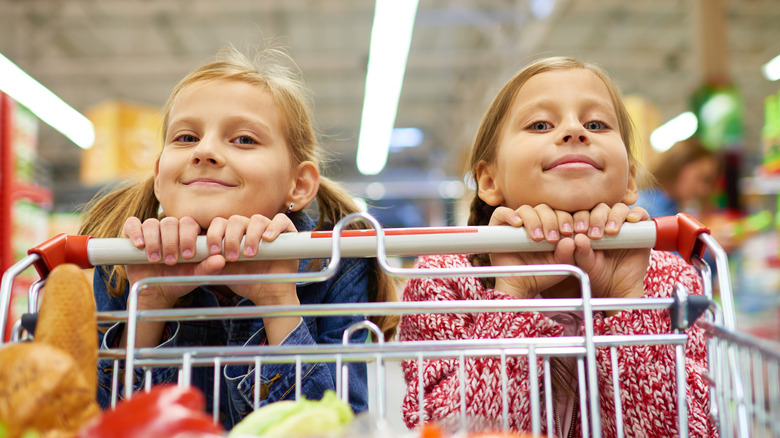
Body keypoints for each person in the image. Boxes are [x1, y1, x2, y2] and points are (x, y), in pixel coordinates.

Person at [78, 45, 398, 429]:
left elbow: (344, 427)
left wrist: (278, 300)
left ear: (299, 185)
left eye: (244, 139)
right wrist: (149, 310)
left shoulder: (338, 265)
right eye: (185, 137)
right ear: (160, 176)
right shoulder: (123, 265)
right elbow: (100, 425)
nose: (205, 150)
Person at [398, 57, 716, 437]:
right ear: (489, 179)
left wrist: (628, 300)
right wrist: (511, 295)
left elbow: (677, 430)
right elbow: (445, 429)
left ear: (630, 179)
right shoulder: (445, 281)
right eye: (540, 124)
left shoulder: (670, 280)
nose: (574, 131)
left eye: (595, 123)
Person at [636, 138, 719, 219]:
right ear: (678, 164)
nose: (704, 190)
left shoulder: (672, 205)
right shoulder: (642, 208)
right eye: (700, 177)